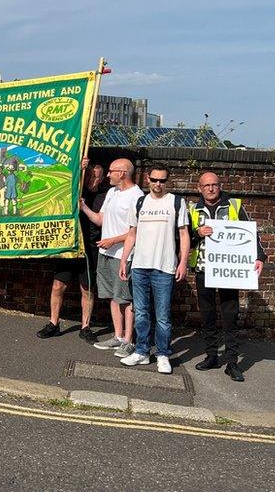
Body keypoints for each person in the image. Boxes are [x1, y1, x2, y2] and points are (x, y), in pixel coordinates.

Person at [189, 172, 266, 382]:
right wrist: (197, 233)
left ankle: (232, 362)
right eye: (206, 186)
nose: (211, 189)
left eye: (214, 185)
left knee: (230, 316)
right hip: (204, 269)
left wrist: (259, 256)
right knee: (207, 316)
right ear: (199, 188)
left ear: (220, 186)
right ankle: (212, 356)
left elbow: (252, 232)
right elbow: (184, 237)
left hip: (228, 271)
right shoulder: (193, 209)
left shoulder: (233, 205)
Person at [117, 163, 189, 374]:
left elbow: (184, 234)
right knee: (140, 312)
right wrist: (124, 259)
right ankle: (141, 351)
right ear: (147, 179)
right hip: (139, 266)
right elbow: (132, 233)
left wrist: (183, 262)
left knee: (163, 316)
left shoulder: (176, 202)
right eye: (155, 179)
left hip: (164, 267)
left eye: (162, 180)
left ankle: (163, 354)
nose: (158, 184)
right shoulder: (139, 202)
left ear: (167, 181)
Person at [37, 160, 108, 341]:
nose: (92, 180)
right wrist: (79, 167)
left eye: (96, 177)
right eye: (90, 176)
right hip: (70, 244)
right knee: (58, 285)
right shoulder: (75, 189)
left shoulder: (106, 196)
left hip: (91, 248)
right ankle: (54, 323)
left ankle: (85, 327)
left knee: (87, 288)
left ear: (101, 179)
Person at [81, 158, 142, 357]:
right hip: (105, 252)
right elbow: (101, 219)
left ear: (122, 173)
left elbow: (137, 230)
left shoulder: (137, 196)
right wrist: (84, 207)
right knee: (112, 297)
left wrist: (113, 240)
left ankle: (128, 339)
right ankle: (117, 336)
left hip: (122, 254)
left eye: (111, 171)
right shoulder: (111, 192)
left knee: (126, 298)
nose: (107, 175)